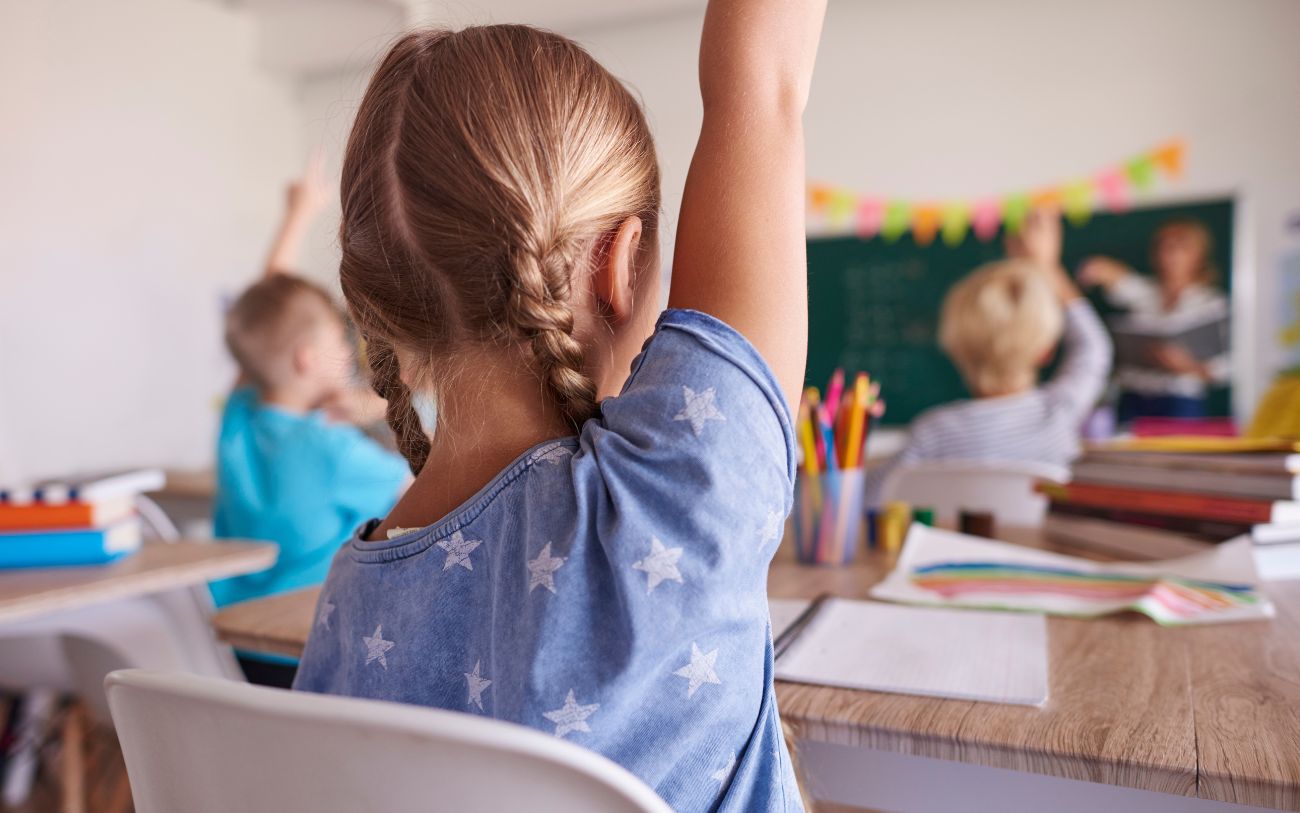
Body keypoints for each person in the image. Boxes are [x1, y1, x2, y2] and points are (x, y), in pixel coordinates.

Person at [292, 4, 826, 810]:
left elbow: (763, 85)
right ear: (622, 263)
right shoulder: (673, 501)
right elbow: (761, 83)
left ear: (383, 309)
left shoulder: (346, 602)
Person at [211, 155, 409, 625]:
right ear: (305, 358)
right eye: (340, 342)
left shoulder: (238, 417)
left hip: (235, 634)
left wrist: (297, 215)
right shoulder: (333, 448)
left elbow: (260, 330)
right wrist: (383, 411)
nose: (348, 354)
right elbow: (425, 489)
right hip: (313, 644)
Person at [865, 208, 1113, 504]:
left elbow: (869, 498)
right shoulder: (1060, 412)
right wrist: (1047, 267)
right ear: (1046, 352)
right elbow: (1094, 347)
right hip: (1043, 550)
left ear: (955, 348)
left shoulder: (934, 433)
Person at [1079, 219, 1229, 421]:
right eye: (1164, 246)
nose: (1170, 254)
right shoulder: (1142, 292)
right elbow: (1118, 279)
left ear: (1198, 255)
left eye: (1180, 247)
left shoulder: (1213, 304)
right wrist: (1098, 268)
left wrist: (1187, 366)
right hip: (1132, 399)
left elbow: (1226, 368)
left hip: (1180, 404)